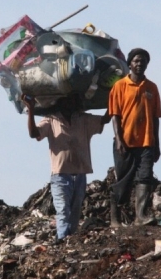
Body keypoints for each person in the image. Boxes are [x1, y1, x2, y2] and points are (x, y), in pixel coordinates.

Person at [23, 94, 111, 244]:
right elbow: (34, 134)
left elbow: (104, 120)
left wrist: (114, 100)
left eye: (72, 100)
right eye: (65, 101)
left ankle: (70, 240)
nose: (69, 103)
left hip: (80, 174)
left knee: (75, 212)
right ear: (59, 103)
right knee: (63, 209)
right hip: (60, 175)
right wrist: (31, 109)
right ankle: (63, 239)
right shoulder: (51, 120)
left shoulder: (83, 119)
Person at [109, 48, 161, 228]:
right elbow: (115, 115)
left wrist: (157, 144)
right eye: (136, 61)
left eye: (143, 61)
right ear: (130, 63)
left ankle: (140, 216)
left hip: (146, 141)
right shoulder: (120, 86)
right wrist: (118, 139)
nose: (140, 64)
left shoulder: (152, 88)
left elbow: (155, 118)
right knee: (123, 180)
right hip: (125, 141)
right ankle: (114, 219)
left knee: (145, 178)